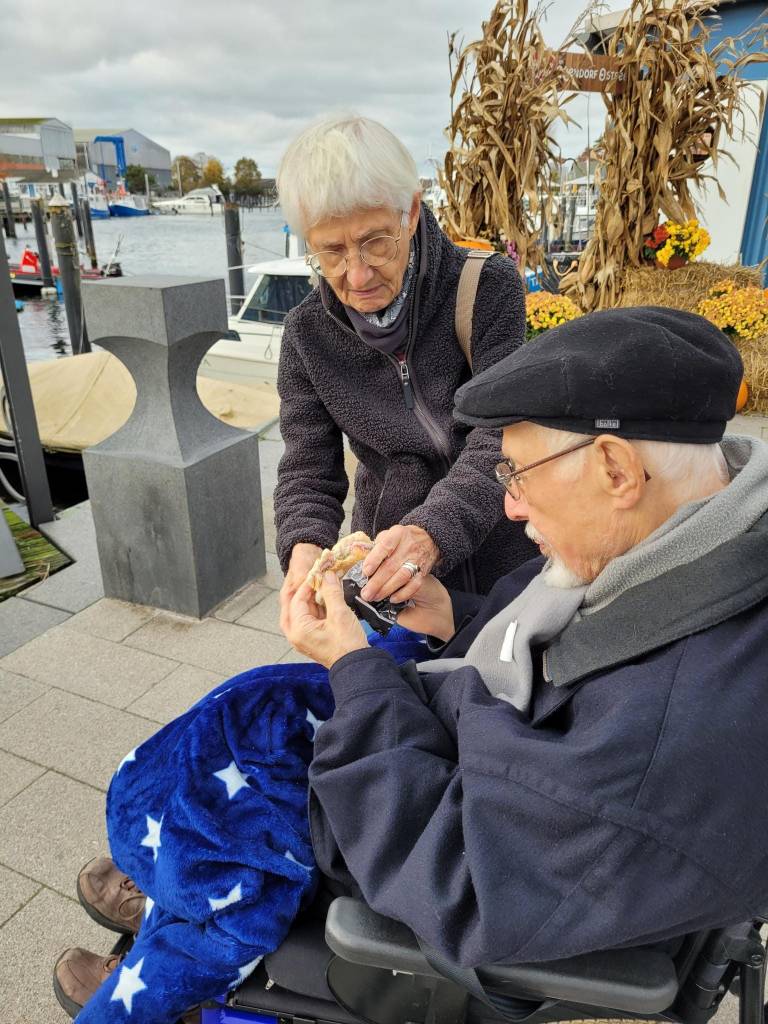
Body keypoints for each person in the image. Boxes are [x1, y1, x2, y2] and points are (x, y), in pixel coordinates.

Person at [282, 306, 768, 966]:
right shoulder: (691, 532)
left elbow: (466, 886)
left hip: (401, 839)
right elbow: (572, 652)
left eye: (517, 474)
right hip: (450, 747)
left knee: (215, 795)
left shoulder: (673, 733)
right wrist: (456, 618)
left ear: (617, 471)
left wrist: (353, 669)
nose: (509, 506)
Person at [274, 114, 534, 607]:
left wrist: (432, 530)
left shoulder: (485, 287)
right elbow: (308, 469)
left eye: (375, 242)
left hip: (508, 545)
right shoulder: (306, 336)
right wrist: (304, 548)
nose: (356, 274)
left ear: (410, 212)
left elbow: (503, 431)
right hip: (387, 569)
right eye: (331, 252)